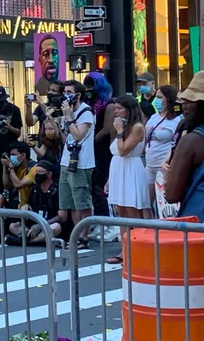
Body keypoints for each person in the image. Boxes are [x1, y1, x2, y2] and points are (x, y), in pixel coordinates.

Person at [165, 71, 204, 222]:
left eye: (190, 100)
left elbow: (171, 195)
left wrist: (168, 176)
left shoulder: (192, 141)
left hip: (201, 224)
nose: (184, 105)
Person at [105, 96, 149, 264]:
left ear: (129, 110)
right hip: (118, 169)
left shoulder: (137, 127)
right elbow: (116, 153)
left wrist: (119, 132)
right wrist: (110, 179)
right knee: (121, 211)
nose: (115, 111)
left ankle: (139, 250)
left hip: (131, 168)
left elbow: (123, 150)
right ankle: (125, 251)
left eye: (119, 108)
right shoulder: (121, 128)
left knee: (133, 212)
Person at [59, 80, 95, 250]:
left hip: (82, 163)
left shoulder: (85, 112)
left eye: (68, 92)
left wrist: (68, 117)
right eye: (64, 91)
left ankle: (84, 236)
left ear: (77, 95)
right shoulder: (68, 112)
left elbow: (79, 135)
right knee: (71, 202)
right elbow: (67, 138)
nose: (65, 95)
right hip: (67, 161)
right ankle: (76, 234)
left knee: (82, 201)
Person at [5, 161, 70, 246]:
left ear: (49, 174)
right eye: (36, 172)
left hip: (49, 224)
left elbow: (62, 217)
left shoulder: (57, 189)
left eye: (40, 172)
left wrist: (41, 225)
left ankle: (24, 241)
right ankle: (32, 239)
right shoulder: (36, 188)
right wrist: (26, 206)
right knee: (14, 226)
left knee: (55, 227)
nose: (37, 175)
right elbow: (29, 203)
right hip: (34, 225)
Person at [144, 85, 181, 218]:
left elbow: (177, 143)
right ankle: (149, 232)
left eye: (160, 97)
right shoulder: (154, 117)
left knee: (165, 205)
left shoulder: (177, 120)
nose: (157, 100)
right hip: (149, 166)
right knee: (146, 202)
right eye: (156, 97)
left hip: (164, 167)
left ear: (169, 99)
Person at [83, 72, 115, 223]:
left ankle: (106, 220)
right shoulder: (88, 103)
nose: (88, 89)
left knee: (100, 187)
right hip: (90, 150)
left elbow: (107, 129)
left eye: (91, 86)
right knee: (92, 186)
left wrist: (91, 141)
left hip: (102, 150)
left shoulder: (109, 105)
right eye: (86, 86)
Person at [0, 86, 22, 191]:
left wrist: (9, 127)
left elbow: (18, 133)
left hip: (10, 148)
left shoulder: (14, 109)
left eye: (2, 100)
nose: (0, 103)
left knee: (10, 176)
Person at [1, 141, 37, 209]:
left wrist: (10, 166)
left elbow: (18, 185)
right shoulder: (18, 168)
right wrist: (5, 166)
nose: (11, 157)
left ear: (23, 155)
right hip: (21, 207)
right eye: (10, 155)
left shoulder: (34, 168)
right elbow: (7, 185)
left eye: (14, 155)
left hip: (31, 208)